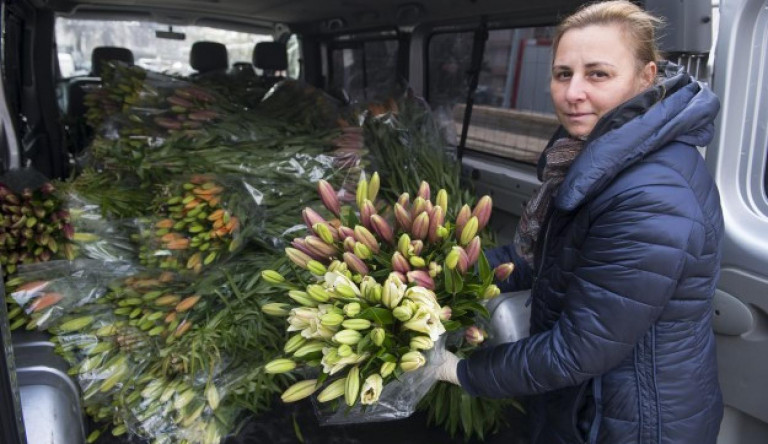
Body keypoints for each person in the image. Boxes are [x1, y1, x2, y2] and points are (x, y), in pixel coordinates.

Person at [434, 1, 724, 443]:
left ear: (646, 77)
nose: (572, 93)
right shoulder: (586, 160)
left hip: (632, 421)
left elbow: (578, 350)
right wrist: (438, 278)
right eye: (563, 73)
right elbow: (536, 259)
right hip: (588, 404)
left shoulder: (650, 197)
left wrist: (459, 371)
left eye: (598, 74)